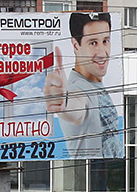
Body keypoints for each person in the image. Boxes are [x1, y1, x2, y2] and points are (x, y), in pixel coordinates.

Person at [44, 12, 121, 158]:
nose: (102, 52)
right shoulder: (79, 87)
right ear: (76, 45)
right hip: (89, 175)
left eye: (105, 41)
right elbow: (76, 107)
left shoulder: (94, 83)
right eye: (93, 43)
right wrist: (63, 102)